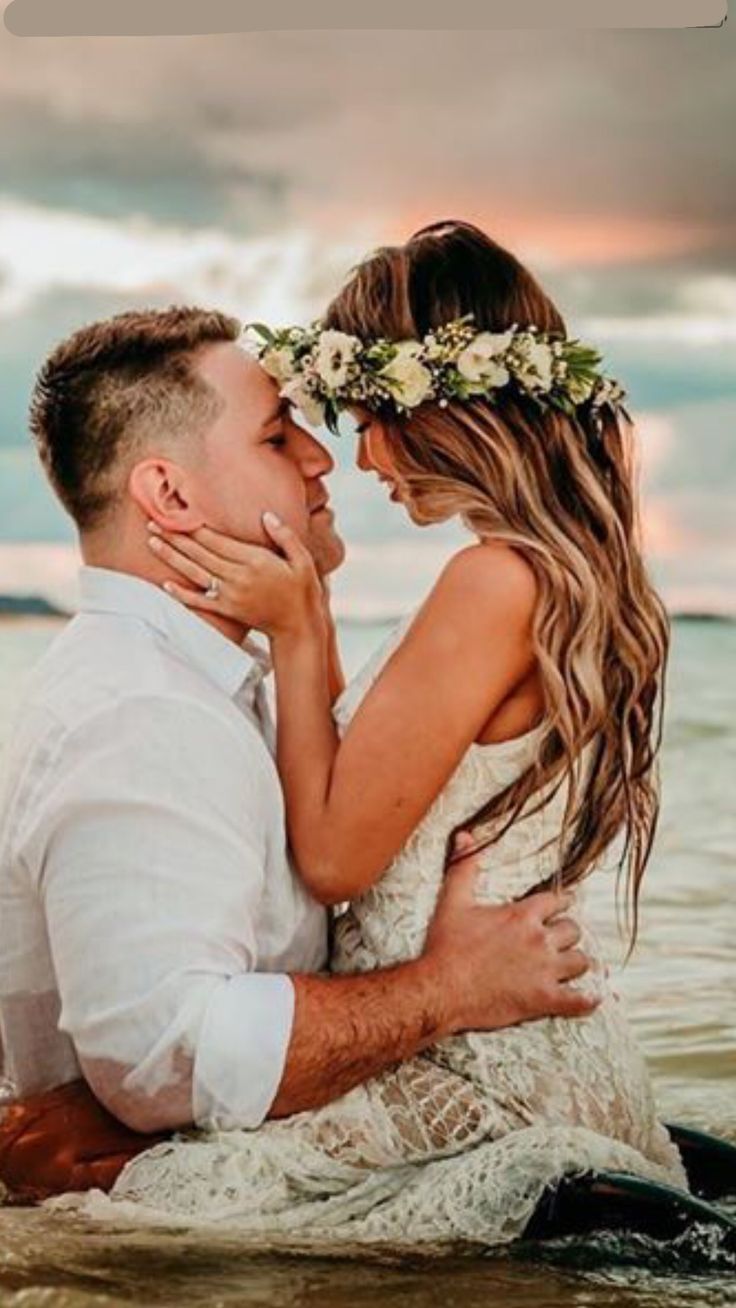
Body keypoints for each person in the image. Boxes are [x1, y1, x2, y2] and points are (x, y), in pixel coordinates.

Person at [82, 222, 686, 1245]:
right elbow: (383, 796)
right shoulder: (574, 577)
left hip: (474, 1074)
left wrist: (298, 625)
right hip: (533, 1049)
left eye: (371, 416)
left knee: (123, 1209)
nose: (358, 456)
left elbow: (332, 856)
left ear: (447, 411)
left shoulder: (492, 582)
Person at [0, 304, 592, 1207]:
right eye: (279, 436)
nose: (323, 459)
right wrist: (451, 987)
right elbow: (169, 1056)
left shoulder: (212, 683)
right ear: (170, 496)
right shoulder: (140, 716)